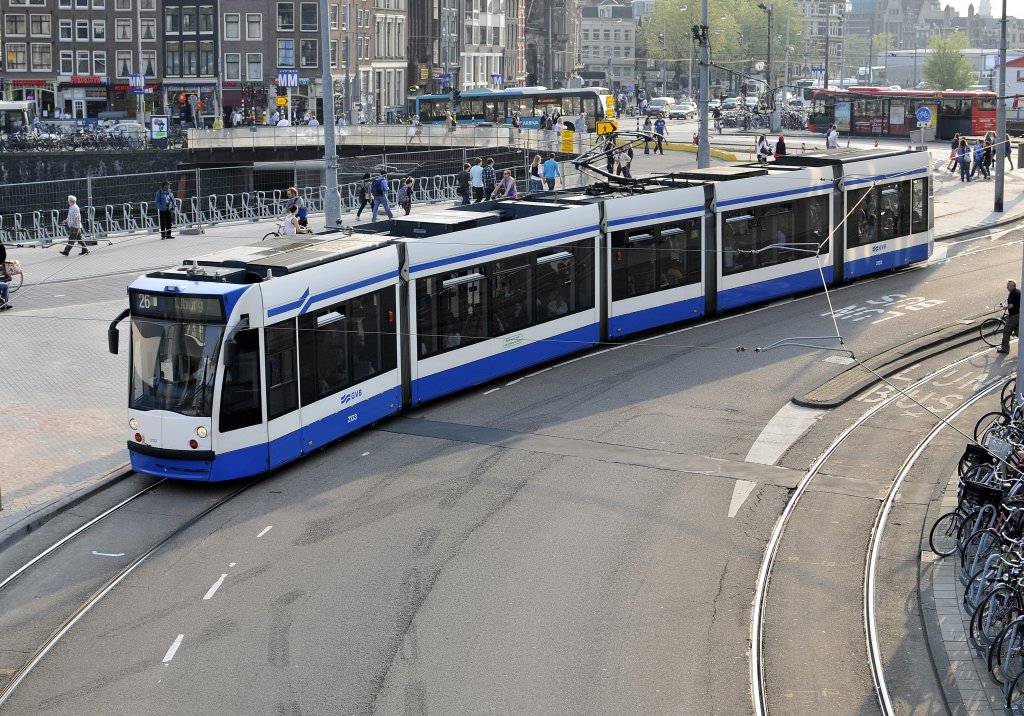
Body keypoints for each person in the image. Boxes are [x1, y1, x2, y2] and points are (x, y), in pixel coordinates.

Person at [1000, 279, 1021, 353]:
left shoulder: (1012, 294)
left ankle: (1005, 349)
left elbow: (1011, 306)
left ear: (1012, 286)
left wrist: (1005, 307)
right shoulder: (1018, 291)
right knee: (1018, 332)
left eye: (1008, 285)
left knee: (1006, 331)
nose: (1007, 287)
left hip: (1014, 315)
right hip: (1019, 314)